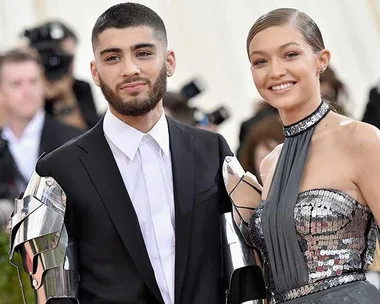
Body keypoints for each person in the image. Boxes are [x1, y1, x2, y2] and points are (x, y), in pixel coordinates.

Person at [13, 3, 234, 303]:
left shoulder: (211, 150)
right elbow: (54, 294)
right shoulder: (59, 170)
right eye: (113, 57)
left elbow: (238, 269)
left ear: (169, 61)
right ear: (95, 71)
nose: (130, 69)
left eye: (143, 53)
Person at [244, 8, 380, 303]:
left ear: (321, 60)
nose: (275, 71)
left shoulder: (361, 140)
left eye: (290, 55)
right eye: (260, 61)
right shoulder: (269, 163)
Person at [0, 48, 82, 202]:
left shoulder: (74, 139)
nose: (27, 91)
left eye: (33, 81)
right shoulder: (2, 143)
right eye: (16, 84)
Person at [24, 21, 100, 130]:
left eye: (69, 58)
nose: (68, 65)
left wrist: (65, 98)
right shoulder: (23, 90)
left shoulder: (80, 88)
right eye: (56, 56)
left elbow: (85, 137)